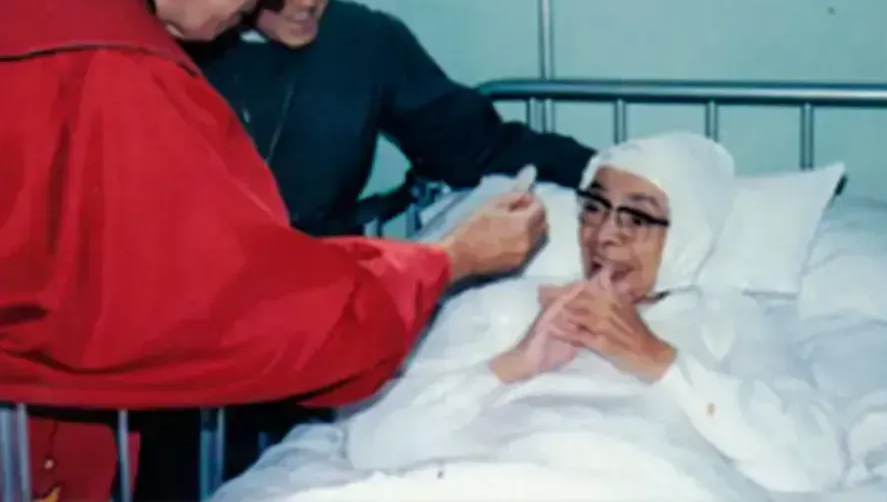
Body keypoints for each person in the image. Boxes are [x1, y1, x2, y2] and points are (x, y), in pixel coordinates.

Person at [0, 0, 548, 500]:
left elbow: (474, 139)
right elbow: (247, 307)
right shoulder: (116, 65)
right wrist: (448, 260)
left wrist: (606, 168)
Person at [212, 132, 848, 501]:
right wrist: (514, 365)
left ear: (692, 232)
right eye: (594, 207)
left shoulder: (730, 320)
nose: (605, 236)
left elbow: (814, 465)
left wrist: (656, 359)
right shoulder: (506, 303)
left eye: (639, 216)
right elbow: (373, 442)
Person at [189, 0, 596, 238]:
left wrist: (609, 169)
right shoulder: (180, 42)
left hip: (321, 283)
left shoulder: (365, 41)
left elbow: (475, 145)